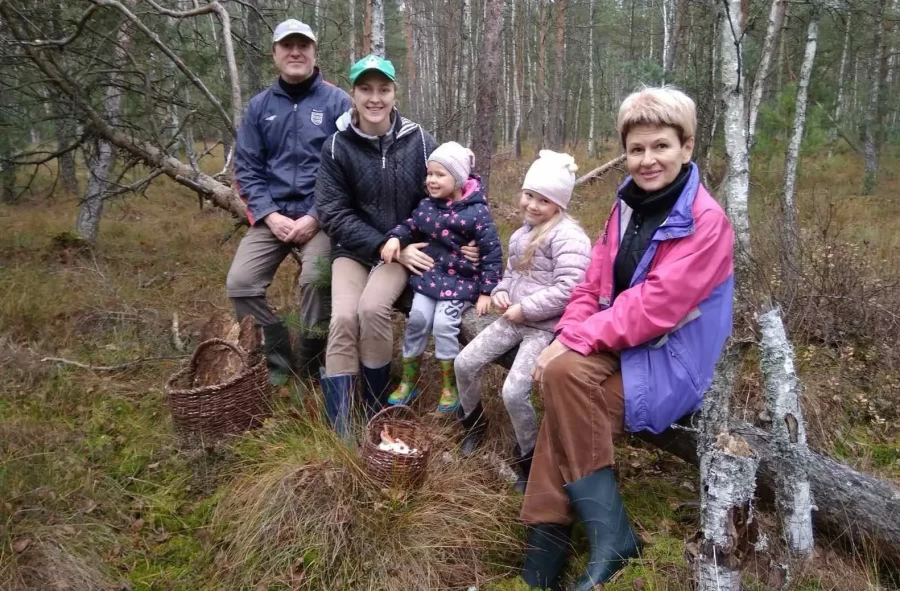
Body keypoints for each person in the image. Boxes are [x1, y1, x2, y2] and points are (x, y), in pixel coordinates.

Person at [519, 87, 735, 591]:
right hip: (624, 343)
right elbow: (593, 283)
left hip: (672, 359)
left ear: (687, 146)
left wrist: (571, 343)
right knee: (561, 376)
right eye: (636, 149)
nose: (647, 159)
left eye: (660, 146)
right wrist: (568, 335)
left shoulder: (706, 222)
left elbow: (657, 308)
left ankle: (562, 534)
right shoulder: (626, 206)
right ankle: (596, 534)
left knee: (564, 384)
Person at [315, 55, 478, 435]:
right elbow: (332, 213)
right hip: (355, 249)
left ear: (394, 93)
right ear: (352, 94)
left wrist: (470, 237)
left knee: (372, 310)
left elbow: (457, 182)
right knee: (342, 318)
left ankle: (375, 409)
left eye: (383, 89)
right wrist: (381, 244)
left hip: (407, 249)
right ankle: (341, 423)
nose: (375, 99)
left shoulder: (418, 140)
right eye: (366, 90)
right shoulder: (337, 147)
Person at [453, 151, 592, 493]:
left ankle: (527, 456)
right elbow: (511, 276)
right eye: (529, 195)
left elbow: (571, 289)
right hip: (513, 318)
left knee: (514, 392)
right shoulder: (521, 235)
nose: (532, 205)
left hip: (544, 330)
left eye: (543, 200)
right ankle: (473, 424)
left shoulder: (569, 238)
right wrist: (501, 292)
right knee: (464, 362)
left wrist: (526, 308)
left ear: (558, 204)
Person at [225, 19, 351, 384]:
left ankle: (311, 366)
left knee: (315, 280)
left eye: (303, 46)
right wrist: (269, 214)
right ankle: (276, 356)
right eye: (287, 46)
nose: (295, 52)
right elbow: (247, 168)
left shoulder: (337, 102)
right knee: (240, 283)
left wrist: (315, 215)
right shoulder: (260, 106)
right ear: (275, 53)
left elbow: (346, 167)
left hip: (322, 217)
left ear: (314, 52)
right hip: (273, 215)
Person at [381, 141, 503, 413]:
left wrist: (487, 290)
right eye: (430, 174)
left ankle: (450, 385)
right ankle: (409, 380)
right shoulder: (427, 206)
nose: (432, 181)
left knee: (445, 324)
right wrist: (394, 239)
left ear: (458, 179)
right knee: (418, 319)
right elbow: (411, 226)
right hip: (430, 277)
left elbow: (491, 251)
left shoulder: (477, 211)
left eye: (440, 175)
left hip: (461, 282)